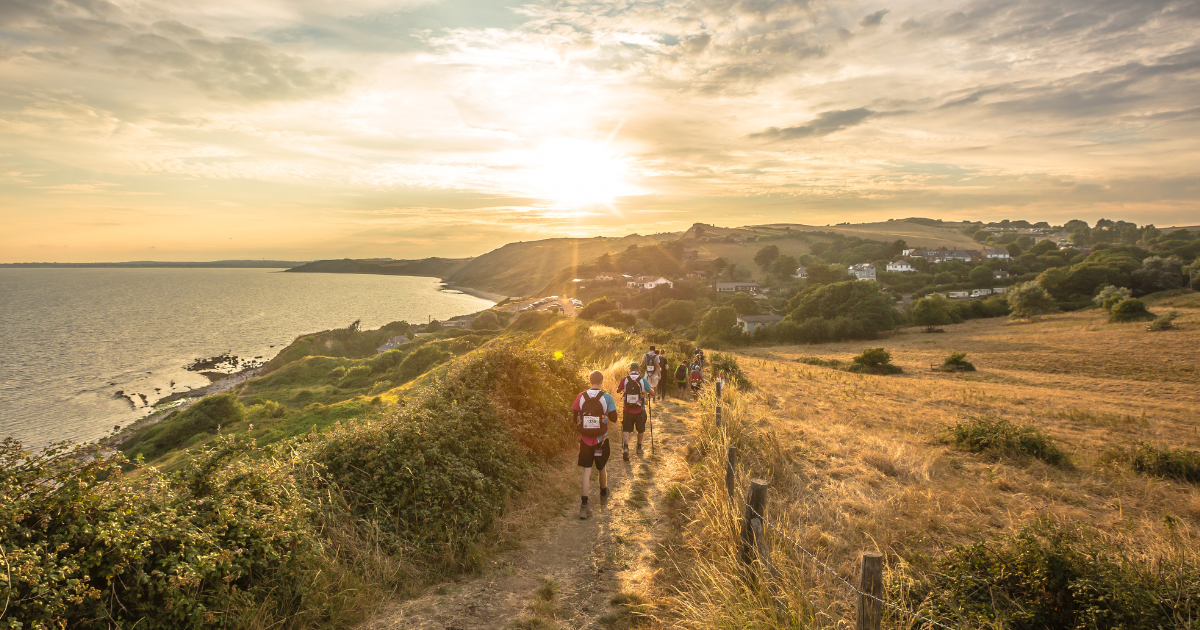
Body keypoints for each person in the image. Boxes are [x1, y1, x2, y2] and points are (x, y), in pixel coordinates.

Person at [572, 370, 617, 520]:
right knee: (601, 467)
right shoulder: (607, 397)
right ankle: (603, 492)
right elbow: (615, 418)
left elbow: (574, 417)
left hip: (585, 440)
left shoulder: (581, 396)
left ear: (590, 380)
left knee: (587, 470)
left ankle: (584, 506)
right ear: (602, 381)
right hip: (601, 440)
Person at [616, 361, 654, 460]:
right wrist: (650, 391)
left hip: (627, 409)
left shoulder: (625, 379)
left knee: (626, 429)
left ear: (630, 369)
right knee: (641, 429)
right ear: (638, 369)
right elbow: (652, 393)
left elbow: (618, 390)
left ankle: (625, 448)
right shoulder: (642, 380)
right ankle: (639, 447)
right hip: (640, 410)